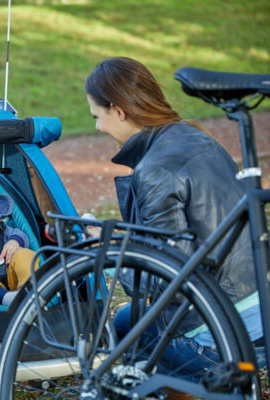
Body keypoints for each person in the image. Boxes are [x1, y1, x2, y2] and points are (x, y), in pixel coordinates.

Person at [84, 57, 264, 380]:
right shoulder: (196, 135)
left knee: (122, 333)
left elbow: (168, 281)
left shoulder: (154, 170)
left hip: (221, 335)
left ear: (119, 111)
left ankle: (187, 385)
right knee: (126, 320)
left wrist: (107, 251)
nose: (97, 126)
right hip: (258, 311)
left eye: (97, 116)